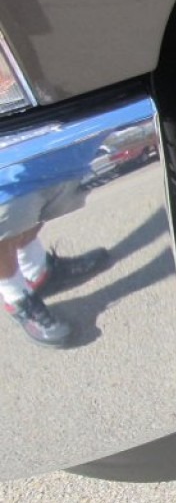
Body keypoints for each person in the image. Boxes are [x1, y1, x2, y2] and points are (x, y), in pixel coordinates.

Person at [0, 132, 110, 347]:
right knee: (7, 212)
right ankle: (16, 297)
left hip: (62, 145)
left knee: (43, 201)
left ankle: (38, 270)